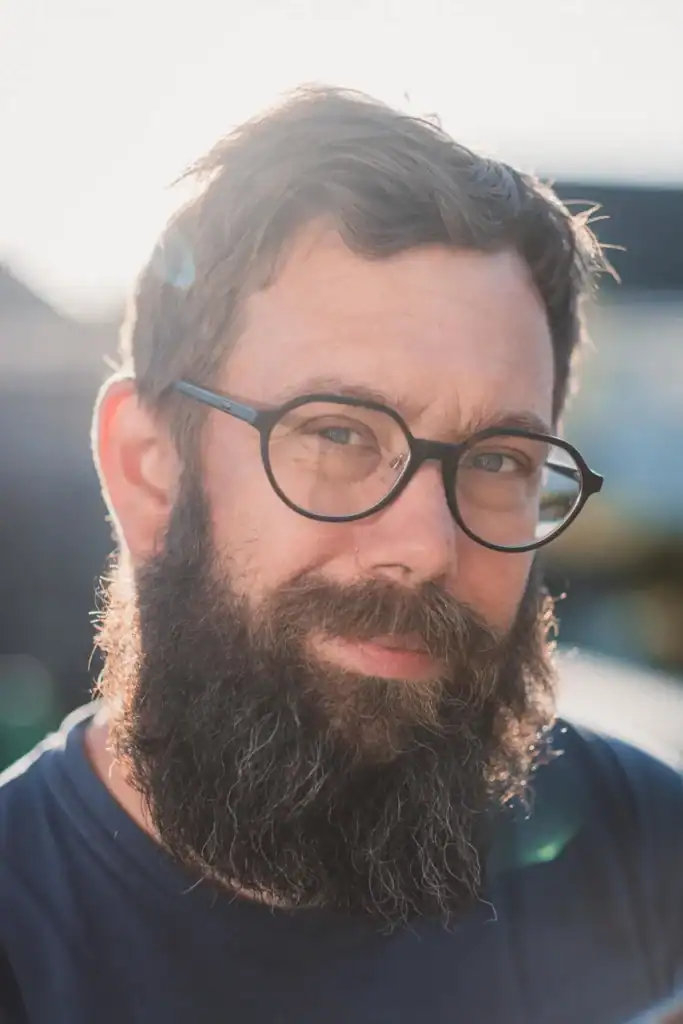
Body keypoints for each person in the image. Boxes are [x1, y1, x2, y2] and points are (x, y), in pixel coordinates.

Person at [0, 86, 681, 1024]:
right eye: (337, 435)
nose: (426, 549)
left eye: (496, 461)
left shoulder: (647, 854)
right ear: (148, 468)